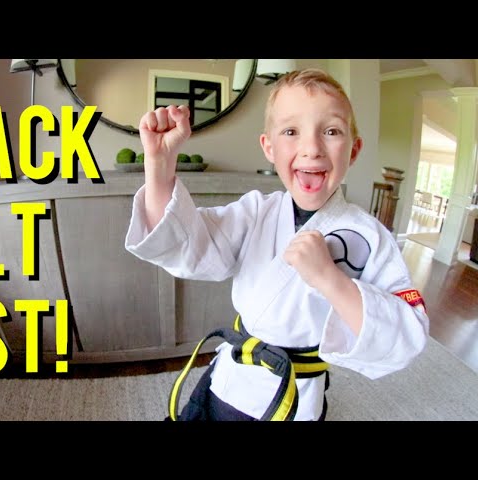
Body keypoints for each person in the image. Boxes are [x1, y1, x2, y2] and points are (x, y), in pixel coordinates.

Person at [124, 68, 429, 421]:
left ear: (354, 149)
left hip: (294, 398)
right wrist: (159, 165)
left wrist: (331, 280)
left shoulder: (371, 237)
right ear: (269, 147)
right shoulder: (256, 212)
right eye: (291, 131)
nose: (311, 148)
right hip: (231, 379)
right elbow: (187, 243)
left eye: (331, 131)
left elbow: (406, 334)